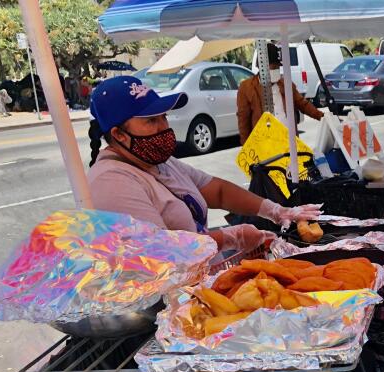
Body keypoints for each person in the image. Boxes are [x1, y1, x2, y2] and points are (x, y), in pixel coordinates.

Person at [87, 76, 321, 253]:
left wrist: (276, 211)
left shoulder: (160, 162)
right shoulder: (111, 181)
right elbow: (161, 252)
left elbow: (217, 191)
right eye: (151, 121)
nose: (163, 127)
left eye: (163, 117)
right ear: (118, 134)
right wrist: (232, 237)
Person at [236, 42, 324, 144]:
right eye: (273, 67)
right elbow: (243, 121)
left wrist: (323, 117)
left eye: (278, 67)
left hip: (288, 142)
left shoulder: (285, 84)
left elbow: (303, 104)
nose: (276, 70)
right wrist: (247, 147)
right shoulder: (246, 88)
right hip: (265, 145)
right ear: (262, 67)